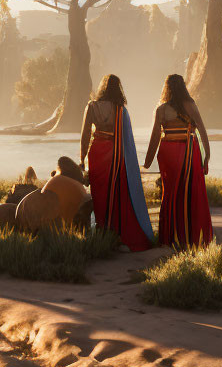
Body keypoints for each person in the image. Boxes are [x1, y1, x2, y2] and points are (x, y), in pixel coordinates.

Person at [79, 74, 153, 251]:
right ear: (118, 89)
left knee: (98, 194)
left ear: (102, 88)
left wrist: (82, 159)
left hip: (96, 152)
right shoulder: (121, 110)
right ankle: (115, 233)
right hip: (115, 154)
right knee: (115, 193)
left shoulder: (92, 106)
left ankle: (101, 231)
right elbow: (127, 140)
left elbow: (85, 135)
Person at [143, 75, 213, 248]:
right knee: (190, 192)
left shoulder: (161, 109)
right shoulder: (191, 106)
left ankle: (170, 236)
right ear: (183, 87)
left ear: (167, 88)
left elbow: (155, 137)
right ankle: (190, 237)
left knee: (170, 193)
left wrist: (147, 161)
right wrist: (207, 157)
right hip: (189, 151)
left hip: (168, 152)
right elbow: (202, 132)